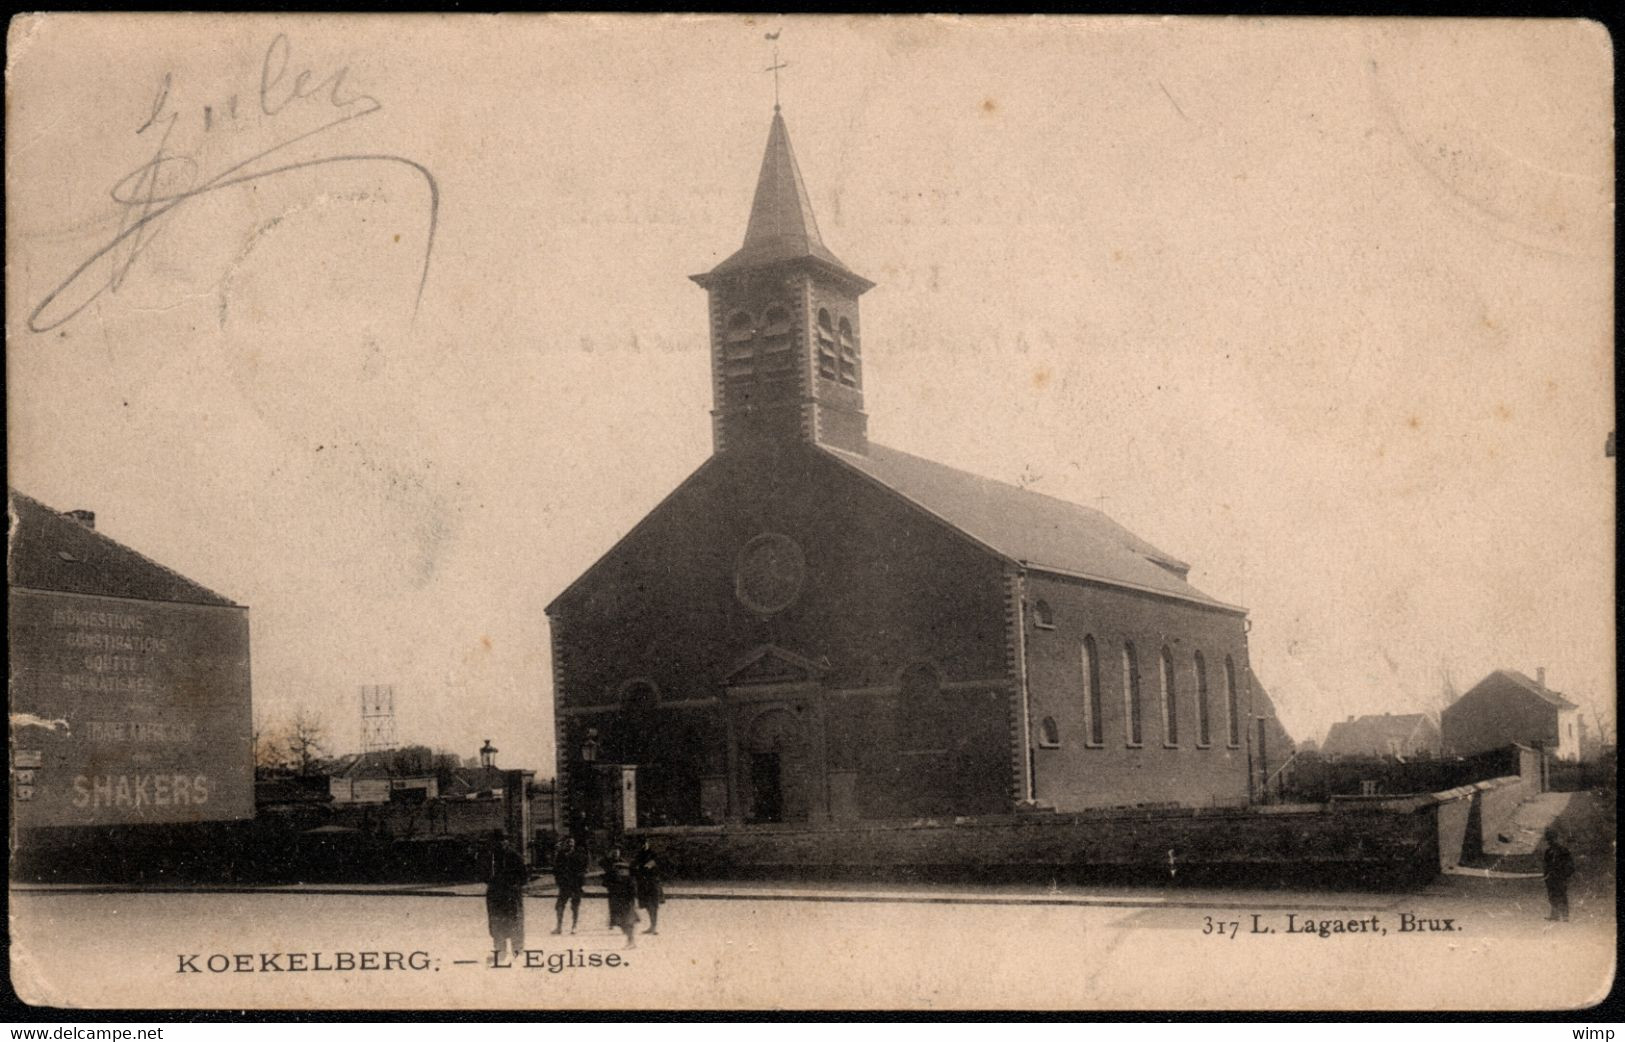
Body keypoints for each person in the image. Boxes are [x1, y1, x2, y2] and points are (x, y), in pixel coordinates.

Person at [483, 830, 529, 960]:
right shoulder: (490, 857)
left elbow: (524, 877)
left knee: (515, 923)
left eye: (502, 840)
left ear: (507, 841)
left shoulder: (514, 856)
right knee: (497, 924)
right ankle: (500, 952)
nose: (500, 843)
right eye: (496, 841)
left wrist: (513, 885)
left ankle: (518, 952)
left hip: (511, 895)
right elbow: (483, 874)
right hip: (495, 895)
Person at [600, 846, 639, 948]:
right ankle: (630, 940)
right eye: (613, 851)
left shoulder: (623, 868)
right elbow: (606, 882)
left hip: (624, 898)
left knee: (626, 920)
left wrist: (632, 896)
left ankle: (631, 941)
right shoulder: (611, 866)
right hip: (616, 898)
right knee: (621, 921)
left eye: (617, 852)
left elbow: (632, 883)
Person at [551, 835, 590, 935]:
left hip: (575, 885)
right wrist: (559, 882)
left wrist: (581, 884)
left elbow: (583, 871)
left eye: (572, 843)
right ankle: (559, 927)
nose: (570, 845)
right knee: (559, 906)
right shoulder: (560, 855)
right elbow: (556, 870)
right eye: (568, 843)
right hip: (564, 886)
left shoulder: (579, 855)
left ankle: (574, 926)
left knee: (575, 906)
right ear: (565, 844)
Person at [631, 839, 665, 935]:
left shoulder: (653, 855)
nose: (643, 845)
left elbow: (650, 867)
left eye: (645, 843)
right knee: (648, 906)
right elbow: (634, 867)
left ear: (648, 844)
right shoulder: (639, 855)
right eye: (641, 844)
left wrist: (640, 868)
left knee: (653, 905)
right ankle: (652, 926)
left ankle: (654, 926)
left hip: (653, 884)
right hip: (644, 884)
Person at [1542, 827, 1575, 922]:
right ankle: (1554, 915)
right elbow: (1546, 865)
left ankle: (1565, 916)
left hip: (1560, 877)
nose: (1550, 842)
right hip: (1551, 877)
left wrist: (1565, 875)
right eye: (1549, 840)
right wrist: (1546, 876)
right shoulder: (1548, 852)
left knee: (1562, 895)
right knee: (1552, 895)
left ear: (1555, 839)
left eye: (1551, 839)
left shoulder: (1563, 851)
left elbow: (1570, 864)